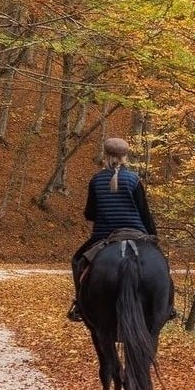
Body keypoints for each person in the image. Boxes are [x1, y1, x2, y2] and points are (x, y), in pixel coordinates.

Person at [67, 135, 175, 322]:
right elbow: (144, 213)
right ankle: (168, 306)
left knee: (77, 260)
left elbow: (89, 213)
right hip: (137, 233)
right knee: (161, 263)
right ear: (125, 157)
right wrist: (153, 237)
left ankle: (80, 305)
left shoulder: (96, 180)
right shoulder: (133, 180)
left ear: (106, 155)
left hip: (104, 235)